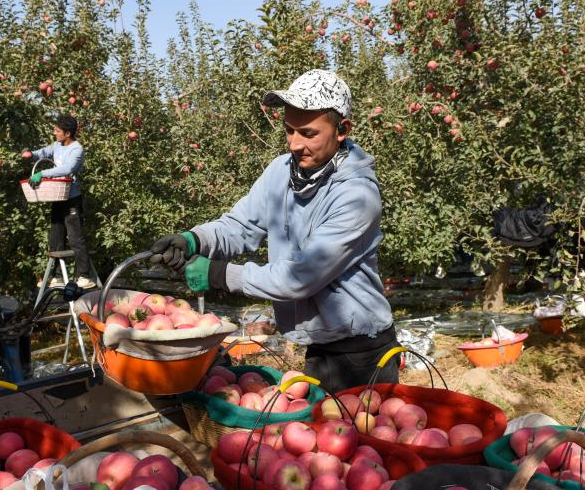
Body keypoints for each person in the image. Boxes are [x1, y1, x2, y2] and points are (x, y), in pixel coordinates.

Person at [148, 70, 399, 392]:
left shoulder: (357, 196)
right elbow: (241, 225)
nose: (295, 143)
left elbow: (299, 278)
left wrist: (220, 274)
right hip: (321, 344)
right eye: (289, 131)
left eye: (308, 133)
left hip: (361, 353)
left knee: (361, 436)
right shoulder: (281, 171)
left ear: (342, 130)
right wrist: (196, 238)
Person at [22, 115, 95, 289]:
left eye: (57, 131)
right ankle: (57, 276)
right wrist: (31, 155)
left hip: (71, 199)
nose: (54, 133)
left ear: (68, 133)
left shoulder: (77, 150)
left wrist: (43, 173)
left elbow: (67, 168)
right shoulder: (57, 146)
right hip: (58, 198)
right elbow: (44, 152)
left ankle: (85, 275)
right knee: (55, 237)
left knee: (75, 238)